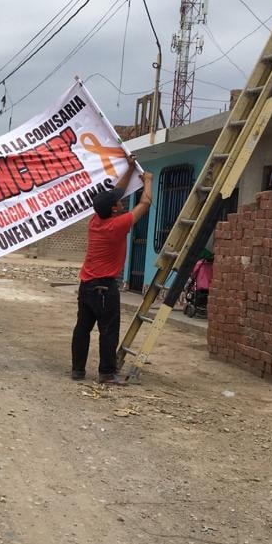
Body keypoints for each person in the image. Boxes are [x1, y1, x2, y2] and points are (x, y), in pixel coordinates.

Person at [70, 155, 152, 384]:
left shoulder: (96, 220)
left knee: (83, 328)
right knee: (108, 330)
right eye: (118, 202)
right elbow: (145, 203)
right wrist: (148, 180)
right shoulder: (116, 225)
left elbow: (118, 191)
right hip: (104, 287)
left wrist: (130, 168)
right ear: (114, 209)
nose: (121, 201)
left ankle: (78, 370)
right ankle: (106, 373)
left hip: (86, 285)